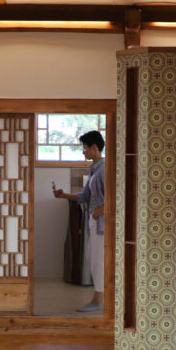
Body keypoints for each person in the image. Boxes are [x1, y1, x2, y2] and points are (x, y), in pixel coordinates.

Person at [53, 130, 106, 312]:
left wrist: (96, 214)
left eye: (85, 148)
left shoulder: (104, 169)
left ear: (94, 147)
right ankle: (99, 299)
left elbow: (115, 198)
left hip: (101, 222)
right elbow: (84, 197)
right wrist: (64, 195)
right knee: (93, 260)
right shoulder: (94, 169)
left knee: (98, 262)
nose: (83, 152)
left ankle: (98, 301)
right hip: (94, 222)